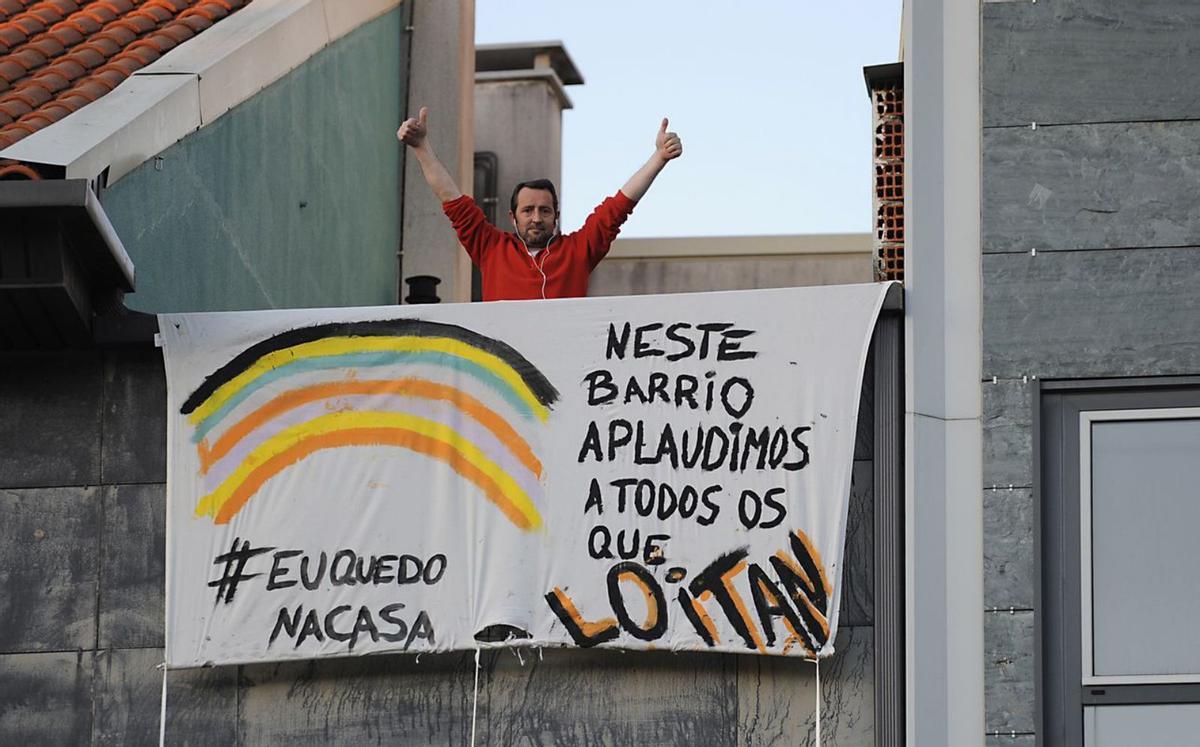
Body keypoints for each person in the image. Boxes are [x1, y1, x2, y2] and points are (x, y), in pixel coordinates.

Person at [397, 107, 683, 301]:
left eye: (544, 210)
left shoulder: (578, 250)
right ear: (513, 217)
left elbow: (619, 207)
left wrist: (658, 158)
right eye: (528, 210)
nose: (536, 218)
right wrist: (422, 148)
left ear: (556, 216)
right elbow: (451, 198)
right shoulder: (491, 247)